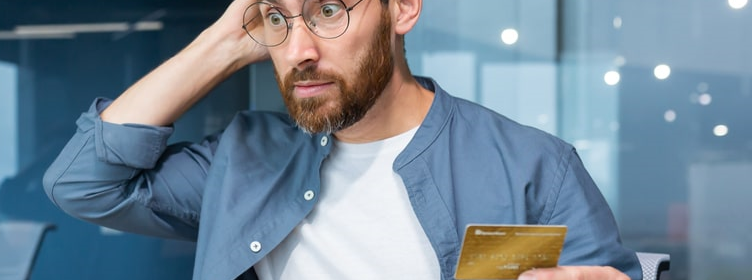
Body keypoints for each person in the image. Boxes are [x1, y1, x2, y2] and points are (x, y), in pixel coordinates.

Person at [43, 0, 642, 279]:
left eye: (329, 9)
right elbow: (82, 185)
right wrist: (225, 41)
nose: (300, 50)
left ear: (403, 10)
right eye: (278, 19)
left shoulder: (536, 165)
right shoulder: (242, 160)